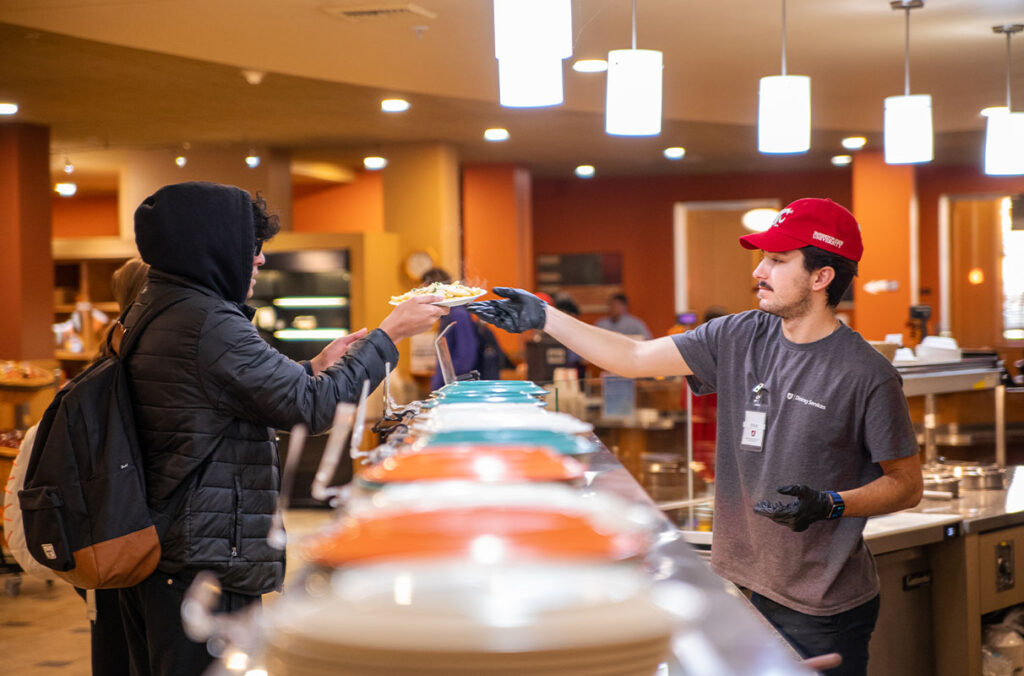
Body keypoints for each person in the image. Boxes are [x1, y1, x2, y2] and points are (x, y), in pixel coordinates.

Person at [468, 198, 923, 675]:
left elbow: (906, 484)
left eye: (777, 260)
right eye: (763, 257)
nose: (759, 271)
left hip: (821, 608)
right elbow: (634, 359)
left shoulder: (866, 374)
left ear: (821, 277)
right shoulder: (740, 335)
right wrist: (545, 318)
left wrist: (831, 504)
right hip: (737, 586)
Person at [117, 181, 446, 676]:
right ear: (214, 247)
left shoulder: (167, 307)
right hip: (203, 551)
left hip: (178, 543)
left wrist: (313, 366)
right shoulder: (207, 321)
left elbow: (234, 394)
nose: (261, 261)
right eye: (253, 248)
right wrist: (390, 333)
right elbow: (312, 410)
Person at [422, 267, 480, 390]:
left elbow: (466, 357)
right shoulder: (447, 314)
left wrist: (448, 382)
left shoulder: (458, 314)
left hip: (456, 390)